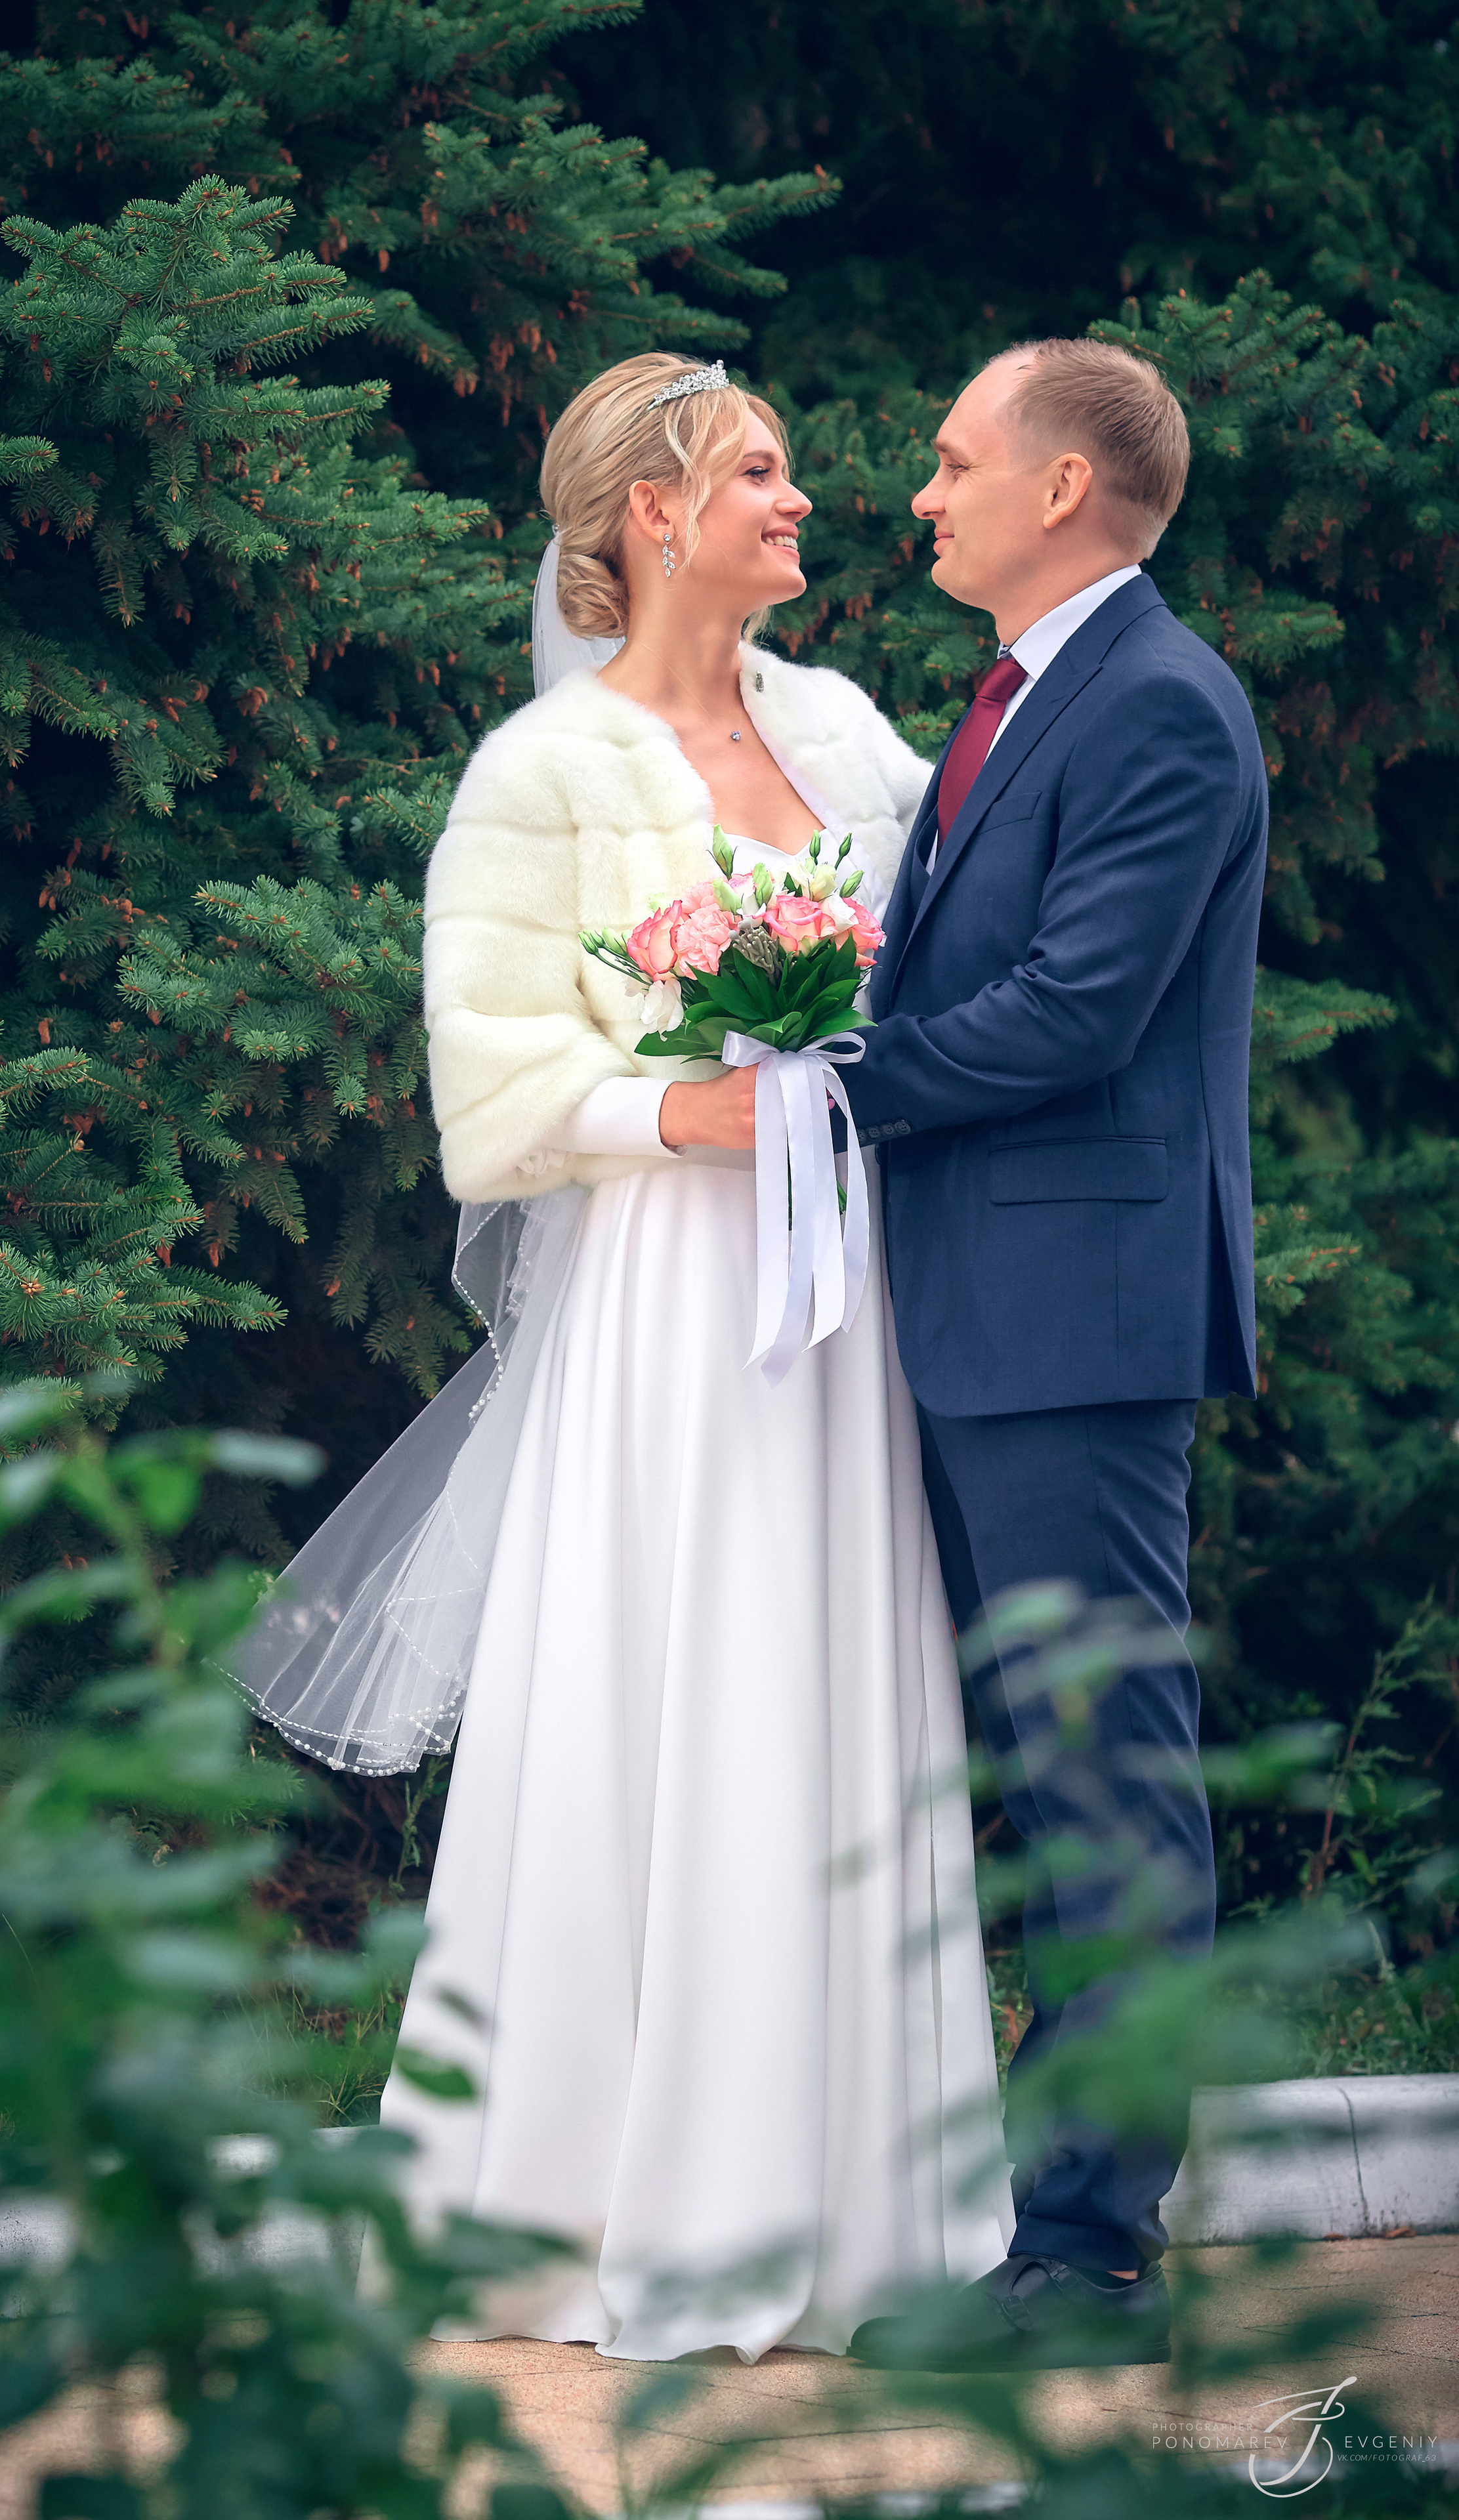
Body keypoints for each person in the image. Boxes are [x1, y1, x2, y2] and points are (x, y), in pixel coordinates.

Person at [288, 350, 1015, 2363]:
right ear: (653, 513)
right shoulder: (542, 777)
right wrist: (687, 1109)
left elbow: (933, 986)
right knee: (658, 1697)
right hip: (664, 1313)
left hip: (834, 1295)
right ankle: (597, 2199)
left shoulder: (853, 731)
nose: (804, 501)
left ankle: (857, 2205)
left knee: (829, 1686)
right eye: (762, 474)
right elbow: (495, 1090)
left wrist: (837, 1078)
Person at [841, 339, 1267, 2372]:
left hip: (1072, 1325)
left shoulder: (1164, 705)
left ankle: (1089, 2251)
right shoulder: (1013, 697)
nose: (921, 495)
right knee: (1015, 1770)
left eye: (951, 461)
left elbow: (1078, 1012)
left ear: (1066, 488)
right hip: (961, 1307)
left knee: (1106, 1787)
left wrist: (836, 1082)